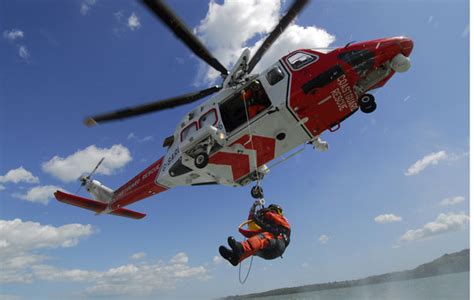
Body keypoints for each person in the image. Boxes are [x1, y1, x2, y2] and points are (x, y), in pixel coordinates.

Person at [219, 201, 291, 266]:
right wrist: (253, 207)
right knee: (256, 243)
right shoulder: (265, 227)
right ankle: (235, 258)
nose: (271, 212)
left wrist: (265, 213)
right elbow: (251, 224)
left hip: (277, 246)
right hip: (267, 252)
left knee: (265, 237)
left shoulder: (283, 222)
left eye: (273, 211)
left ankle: (242, 248)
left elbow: (274, 217)